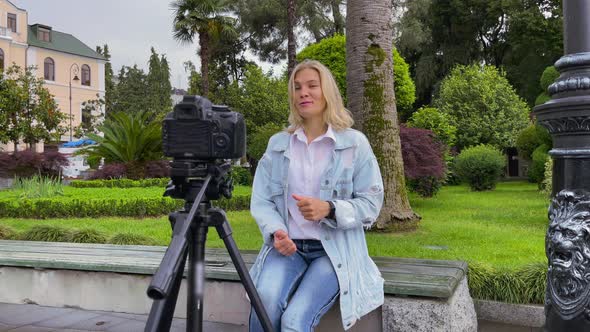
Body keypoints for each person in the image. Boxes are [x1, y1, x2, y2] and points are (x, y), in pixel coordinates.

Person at [248, 60, 384, 332]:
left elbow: (371, 203)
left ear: (328, 93)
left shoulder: (354, 143)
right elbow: (262, 199)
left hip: (334, 251)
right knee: (264, 301)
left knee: (294, 321)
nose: (303, 93)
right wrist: (277, 232)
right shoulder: (278, 144)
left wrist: (330, 208)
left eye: (312, 85)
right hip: (288, 248)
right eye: (297, 88)